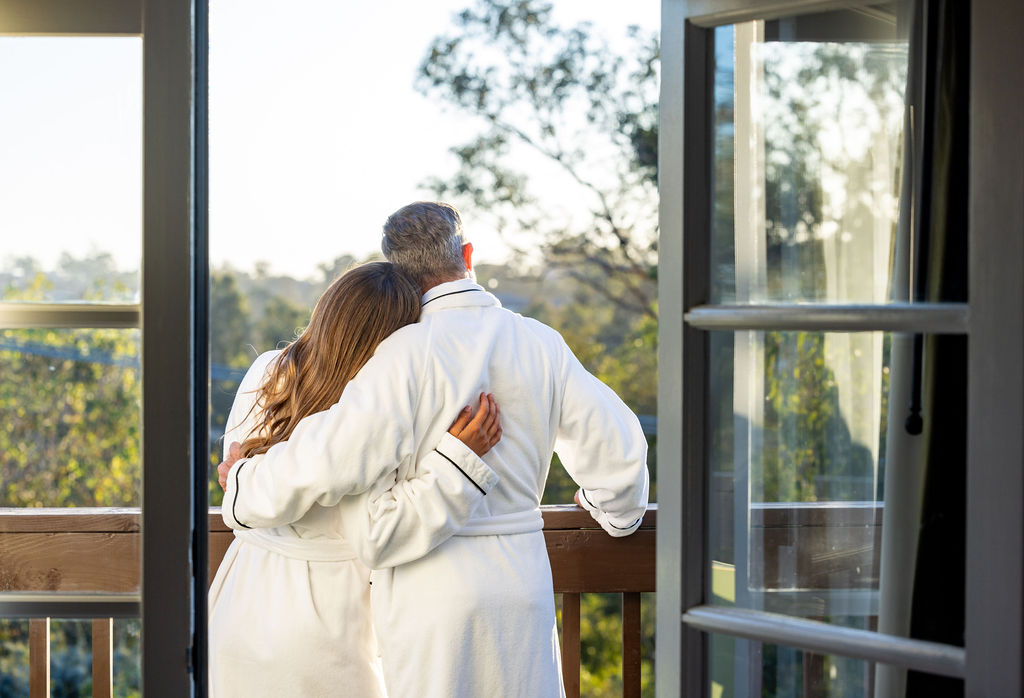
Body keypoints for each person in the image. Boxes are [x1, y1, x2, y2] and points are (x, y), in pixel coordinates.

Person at [219, 202, 649, 698]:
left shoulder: (400, 354)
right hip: (523, 584)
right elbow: (620, 455)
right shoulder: (541, 343)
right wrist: (615, 513)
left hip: (430, 594)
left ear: (398, 274)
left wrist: (245, 483)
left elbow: (330, 456)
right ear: (467, 254)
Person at [208, 261, 503, 697]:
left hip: (240, 599)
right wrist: (457, 464)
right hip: (326, 620)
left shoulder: (268, 369)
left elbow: (235, 469)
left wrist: (241, 477)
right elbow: (388, 526)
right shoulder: (365, 417)